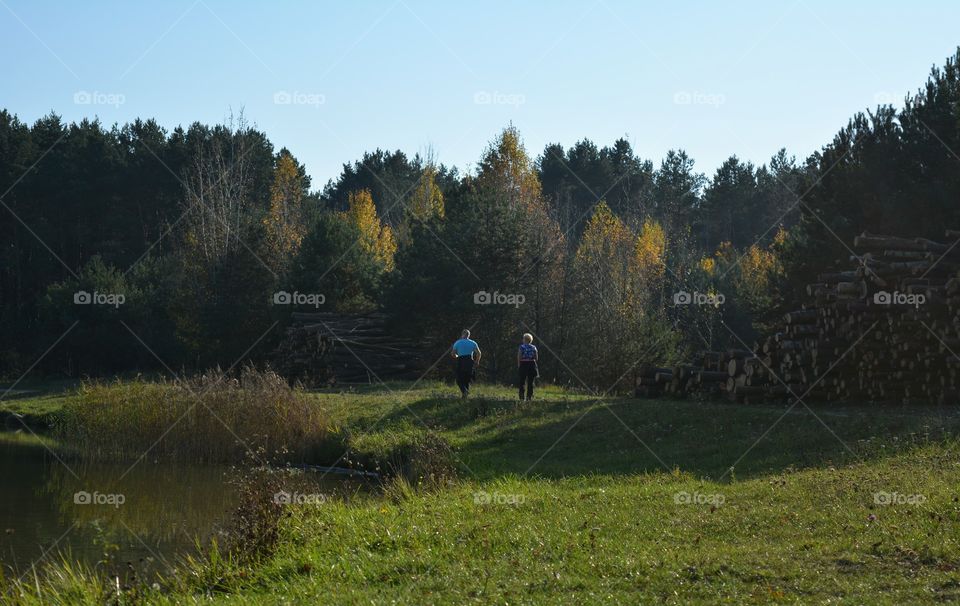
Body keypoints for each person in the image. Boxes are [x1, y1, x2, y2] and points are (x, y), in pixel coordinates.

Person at [451, 329, 481, 398]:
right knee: (467, 379)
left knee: (459, 380)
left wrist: (457, 356)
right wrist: (477, 361)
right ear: (469, 335)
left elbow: (453, 353)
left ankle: (465, 392)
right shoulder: (473, 343)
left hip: (461, 361)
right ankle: (465, 397)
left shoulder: (458, 343)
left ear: (462, 335)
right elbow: (479, 353)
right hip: (470, 361)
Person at [517, 332, 539, 401]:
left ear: (525, 339)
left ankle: (521, 397)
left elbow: (519, 356)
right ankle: (529, 397)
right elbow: (536, 357)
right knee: (531, 382)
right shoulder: (534, 347)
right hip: (532, 364)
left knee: (522, 381)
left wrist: (519, 364)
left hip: (524, 364)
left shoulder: (522, 347)